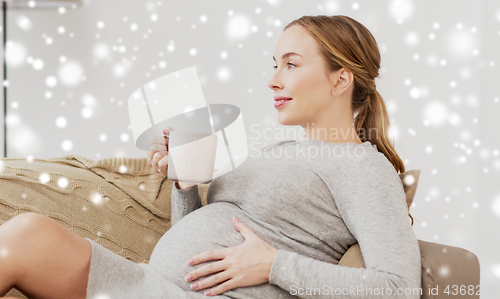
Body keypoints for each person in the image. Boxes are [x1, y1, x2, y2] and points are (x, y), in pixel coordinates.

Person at [0, 15, 421, 299]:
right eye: (274, 64)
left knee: (25, 238)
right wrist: (184, 182)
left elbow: (400, 287)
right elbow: (193, 248)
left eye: (290, 65)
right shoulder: (278, 151)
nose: (273, 80)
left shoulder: (363, 166)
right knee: (28, 234)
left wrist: (274, 265)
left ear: (341, 79)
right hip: (153, 284)